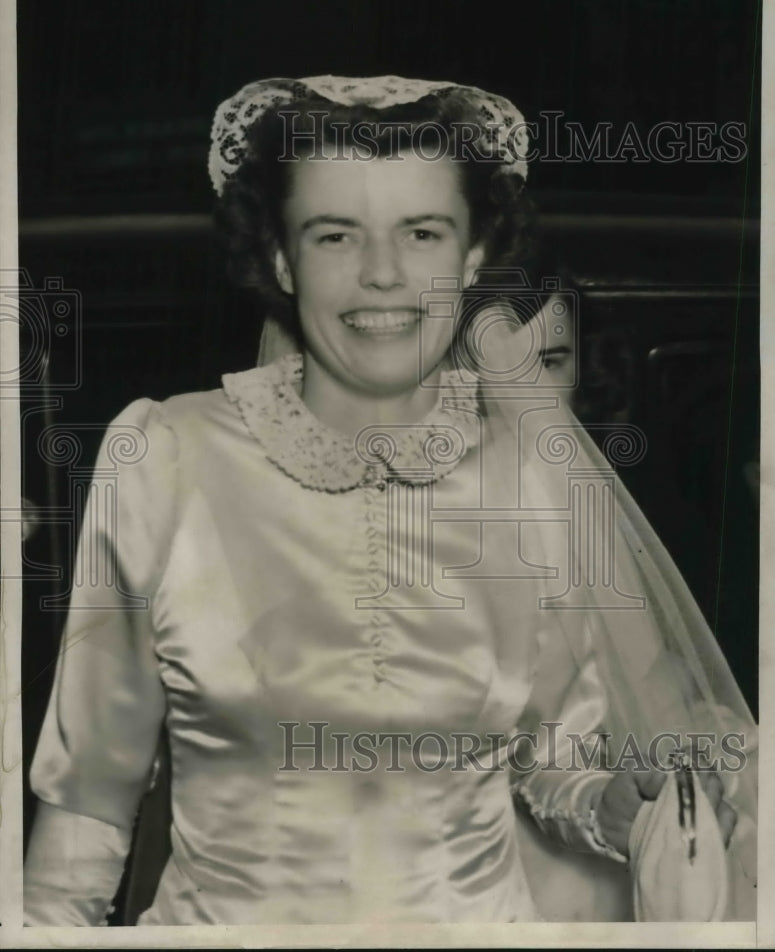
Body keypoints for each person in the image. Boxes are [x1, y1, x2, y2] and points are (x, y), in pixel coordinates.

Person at [23, 76, 756, 926]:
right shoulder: (164, 454)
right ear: (280, 258)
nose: (381, 275)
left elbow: (547, 759)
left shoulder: (527, 475)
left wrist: (611, 806)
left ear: (471, 256)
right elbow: (88, 800)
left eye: (421, 233)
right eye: (335, 235)